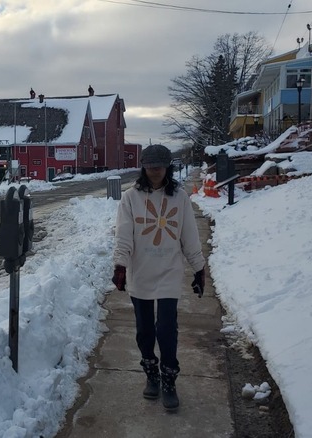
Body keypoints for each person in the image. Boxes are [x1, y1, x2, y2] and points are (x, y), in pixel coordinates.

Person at [111, 144, 207, 411]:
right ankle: (151, 374)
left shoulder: (180, 197)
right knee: (145, 331)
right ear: (144, 167)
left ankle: (169, 379)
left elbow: (189, 235)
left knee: (166, 329)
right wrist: (120, 265)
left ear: (167, 167)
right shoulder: (130, 198)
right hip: (140, 272)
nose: (155, 170)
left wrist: (199, 268)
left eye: (160, 166)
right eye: (151, 166)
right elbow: (123, 234)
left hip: (169, 272)